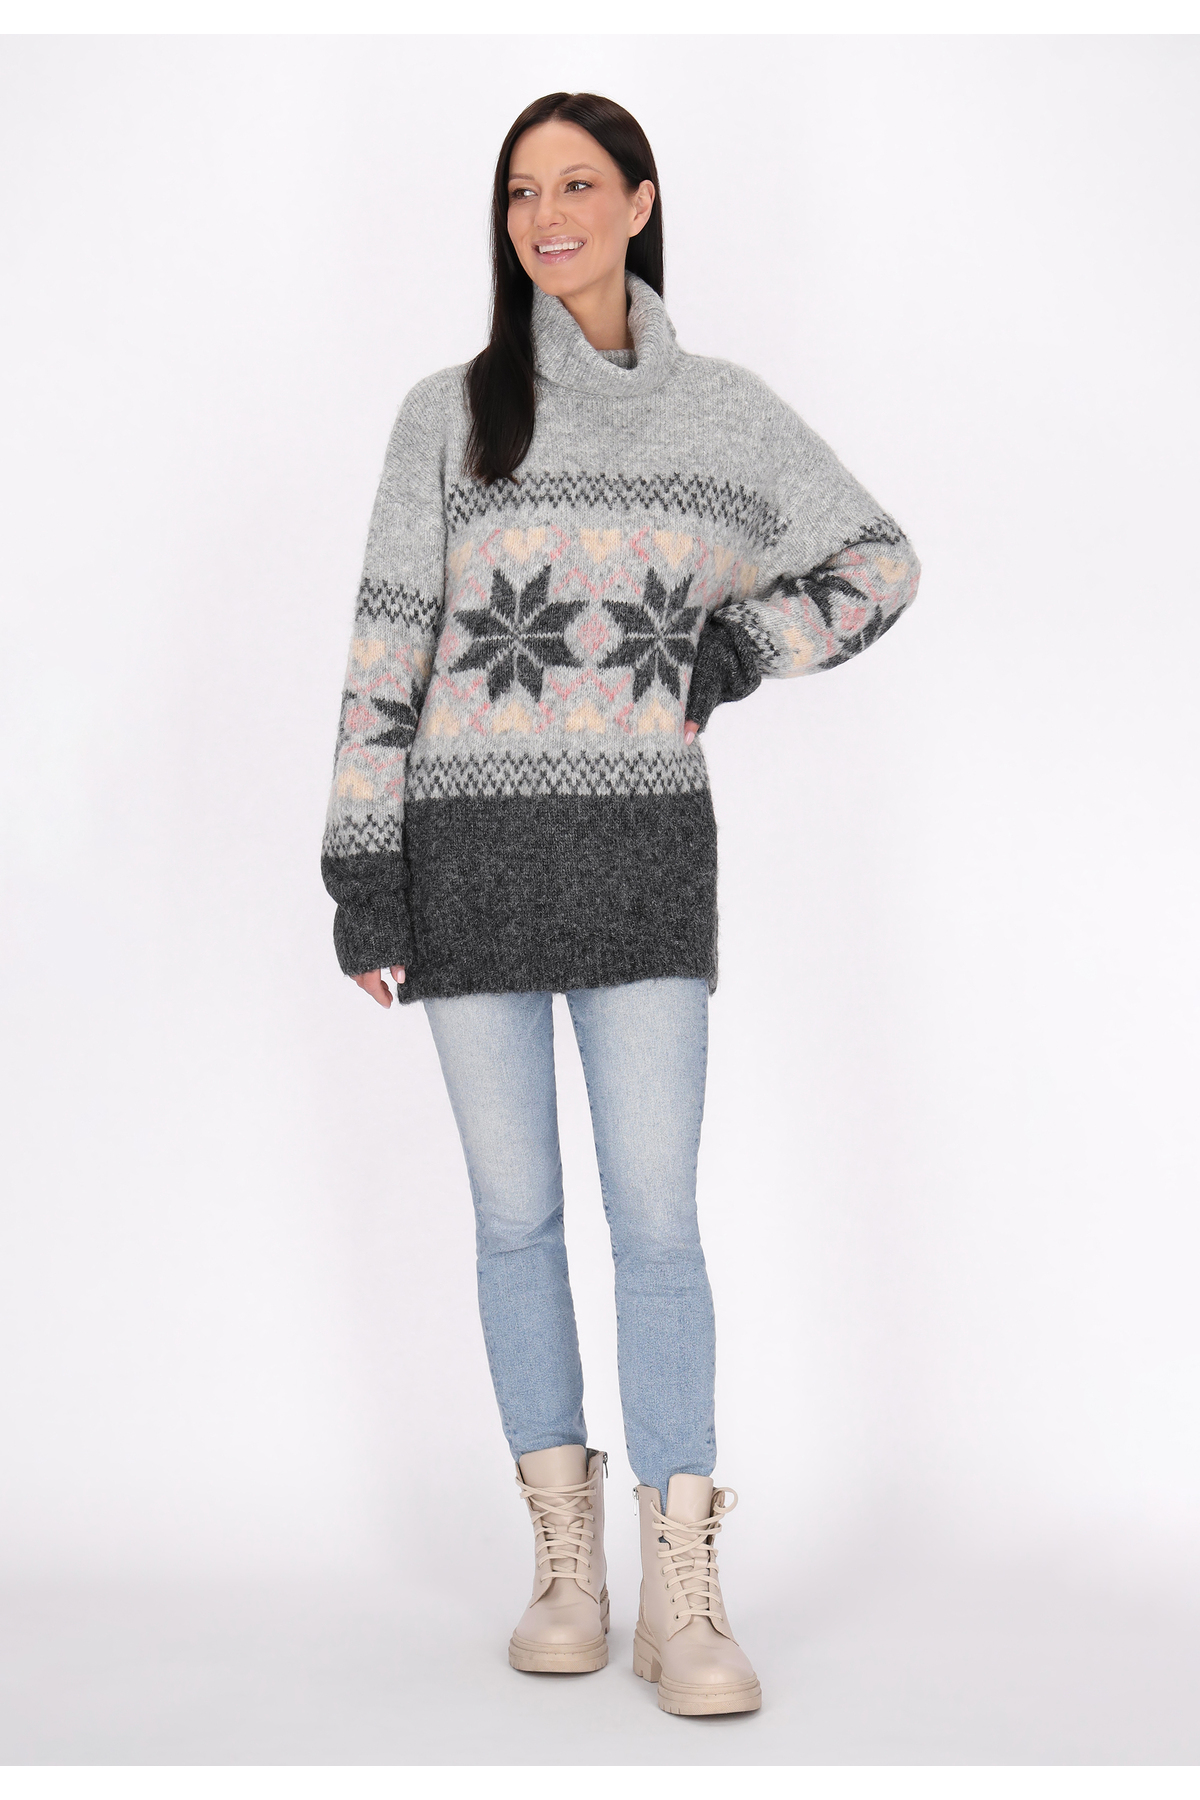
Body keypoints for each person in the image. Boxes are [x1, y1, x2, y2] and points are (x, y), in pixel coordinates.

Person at [321, 91, 920, 1717]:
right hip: (462, 865)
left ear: (641, 203)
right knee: (515, 1218)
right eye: (523, 191)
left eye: (578, 184)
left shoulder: (724, 418)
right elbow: (386, 648)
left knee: (656, 1223)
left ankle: (683, 1593)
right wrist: (363, 870)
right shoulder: (450, 416)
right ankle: (565, 1568)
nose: (548, 216)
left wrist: (738, 649)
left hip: (644, 864)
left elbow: (878, 562)